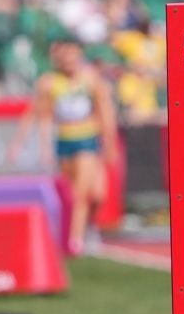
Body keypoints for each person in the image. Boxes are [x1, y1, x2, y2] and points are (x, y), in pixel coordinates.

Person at [9, 39, 118, 255]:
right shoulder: (49, 82)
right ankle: (77, 233)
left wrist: (109, 142)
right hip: (65, 140)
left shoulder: (90, 79)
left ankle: (76, 239)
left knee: (91, 194)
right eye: (64, 56)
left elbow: (105, 111)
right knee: (73, 192)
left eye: (72, 55)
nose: (68, 60)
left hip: (88, 138)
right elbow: (40, 114)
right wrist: (30, 145)